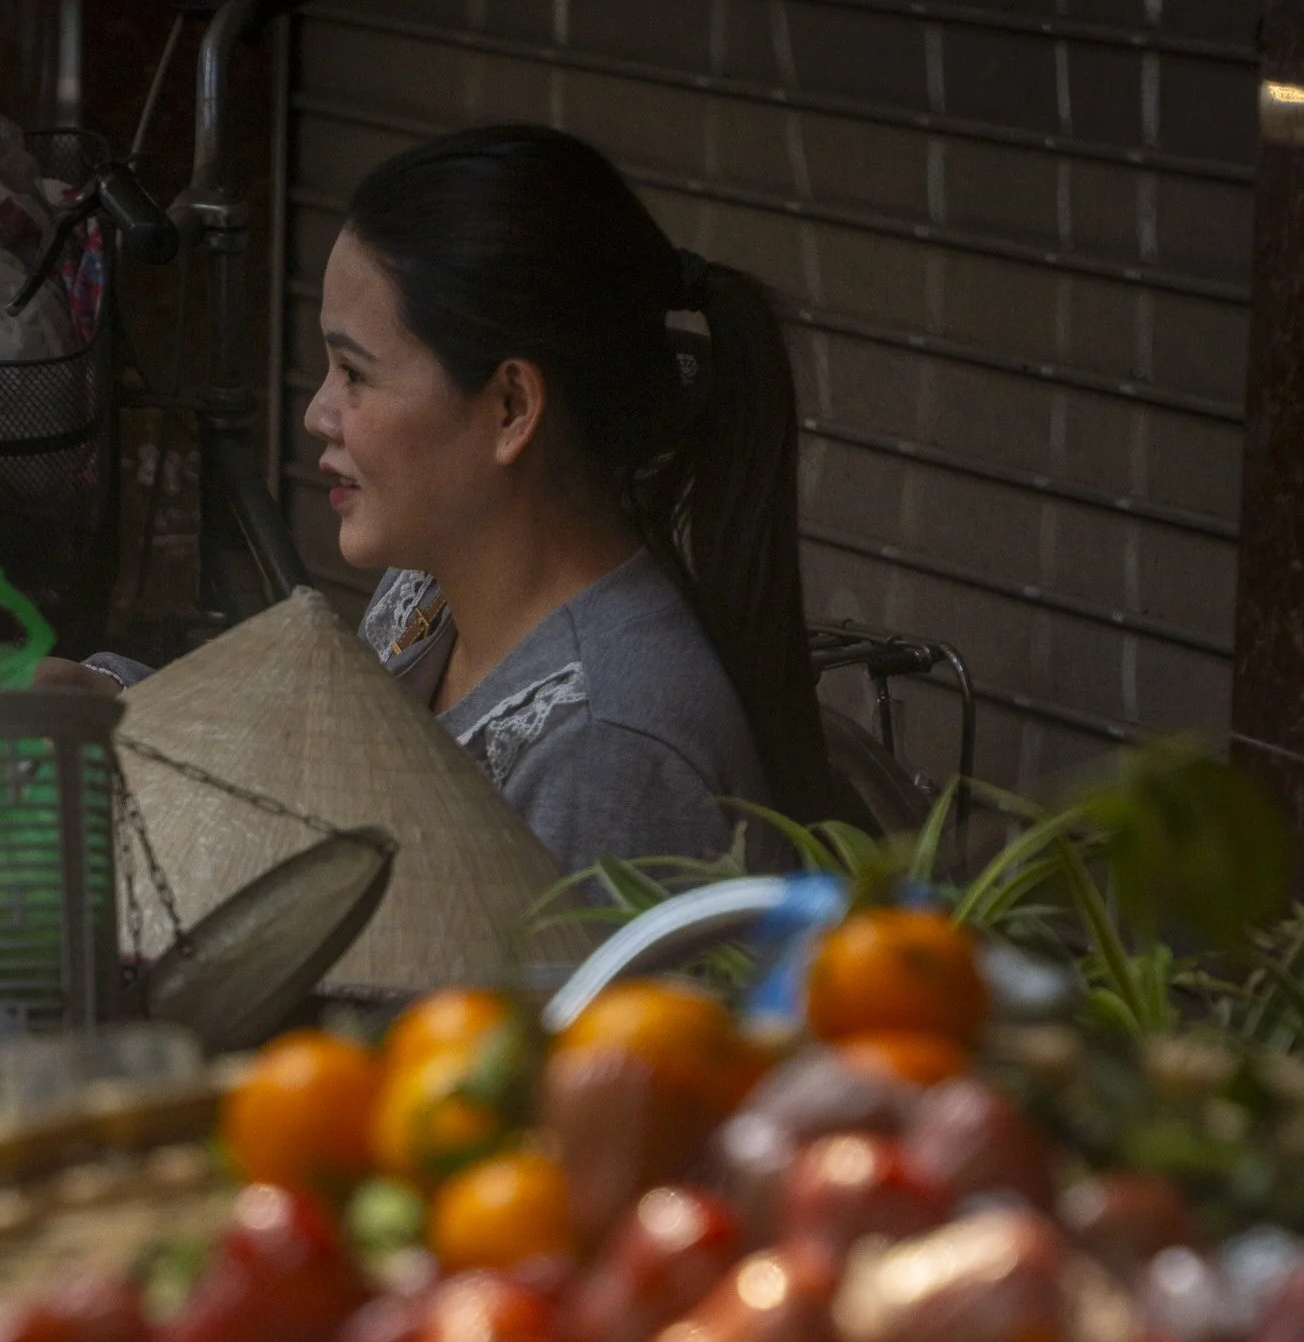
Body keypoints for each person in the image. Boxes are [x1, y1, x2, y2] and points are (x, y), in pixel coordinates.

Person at [63, 125, 833, 873]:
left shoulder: (607, 746)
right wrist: (116, 700)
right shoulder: (431, 593)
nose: (316, 414)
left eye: (354, 373)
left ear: (509, 409)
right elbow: (318, 786)